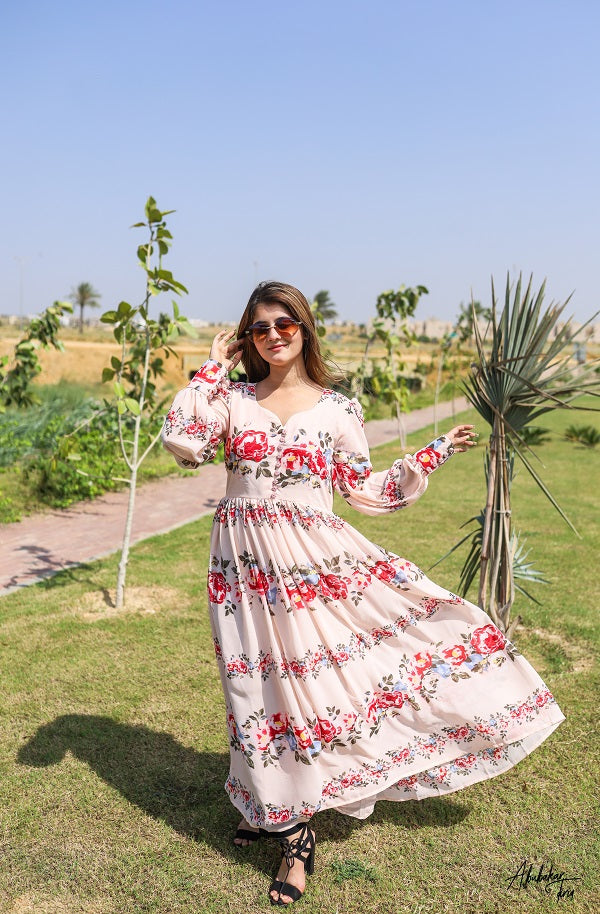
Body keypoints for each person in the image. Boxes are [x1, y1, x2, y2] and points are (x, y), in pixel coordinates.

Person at [161, 281, 565, 906]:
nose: (273, 337)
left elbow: (364, 488)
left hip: (314, 565)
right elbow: (183, 443)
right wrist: (213, 366)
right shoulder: (232, 400)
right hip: (241, 564)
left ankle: (298, 837)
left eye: (285, 325)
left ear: (305, 331)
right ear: (249, 336)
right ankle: (263, 800)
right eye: (261, 327)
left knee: (307, 688)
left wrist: (427, 458)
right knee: (251, 684)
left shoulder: (336, 409)